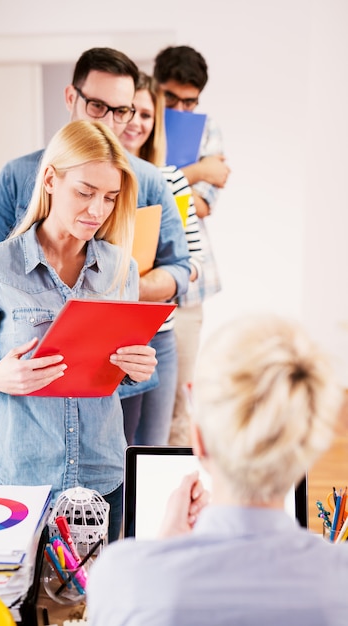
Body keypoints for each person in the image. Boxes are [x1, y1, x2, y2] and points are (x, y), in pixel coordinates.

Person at [0, 120, 158, 543]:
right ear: (49, 180)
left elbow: (120, 364)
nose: (97, 210)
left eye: (110, 198)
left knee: (94, 600)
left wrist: (138, 366)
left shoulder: (122, 269)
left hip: (102, 472)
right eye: (84, 192)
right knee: (22, 599)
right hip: (22, 473)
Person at [0, 47, 190, 447]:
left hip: (123, 362)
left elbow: (181, 270)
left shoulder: (148, 181)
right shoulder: (18, 176)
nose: (111, 121)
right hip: (36, 376)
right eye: (98, 106)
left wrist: (110, 292)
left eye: (122, 110)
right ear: (72, 98)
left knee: (125, 474)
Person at [87, 313, 348, 624]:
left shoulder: (121, 577)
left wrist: (162, 549)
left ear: (198, 438)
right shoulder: (339, 581)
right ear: (309, 449)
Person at [119, 71, 204, 445]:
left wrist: (158, 278)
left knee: (151, 448)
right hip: (109, 336)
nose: (136, 122)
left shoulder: (171, 180)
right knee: (112, 452)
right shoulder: (94, 181)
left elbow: (193, 261)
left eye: (147, 115)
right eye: (129, 111)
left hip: (160, 333)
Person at [153, 45, 231, 446]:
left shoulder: (208, 128)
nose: (181, 111)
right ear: (155, 87)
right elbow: (137, 187)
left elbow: (201, 204)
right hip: (136, 283)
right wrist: (199, 169)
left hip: (186, 285)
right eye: (172, 98)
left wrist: (167, 182)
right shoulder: (138, 123)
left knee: (179, 405)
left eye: (191, 101)